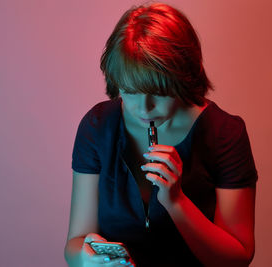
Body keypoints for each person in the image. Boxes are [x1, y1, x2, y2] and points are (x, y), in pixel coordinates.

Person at [64, 2, 258, 267]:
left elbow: (237, 259)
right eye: (130, 91)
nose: (144, 108)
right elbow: (76, 242)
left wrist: (177, 202)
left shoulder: (224, 134)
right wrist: (85, 261)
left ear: (185, 77)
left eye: (160, 92)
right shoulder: (97, 126)